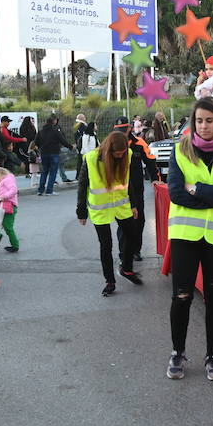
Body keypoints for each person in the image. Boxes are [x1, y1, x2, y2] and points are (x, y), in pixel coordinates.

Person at [166, 96, 213, 381]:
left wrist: (195, 188)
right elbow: (175, 193)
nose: (203, 126)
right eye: (199, 121)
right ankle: (177, 352)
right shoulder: (180, 150)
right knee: (182, 296)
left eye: (209, 121)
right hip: (186, 235)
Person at [76, 131, 143, 296]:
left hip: (121, 205)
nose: (120, 157)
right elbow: (82, 185)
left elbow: (128, 182)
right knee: (106, 245)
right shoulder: (91, 159)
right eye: (117, 154)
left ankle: (126, 269)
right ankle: (110, 281)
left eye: (122, 154)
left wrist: (133, 204)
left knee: (133, 236)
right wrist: (81, 211)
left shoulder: (127, 153)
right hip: (100, 209)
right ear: (108, 151)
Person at [113, 117, 159, 263]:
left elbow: (151, 161)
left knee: (138, 221)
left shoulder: (139, 143)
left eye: (123, 130)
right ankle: (123, 252)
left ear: (129, 129)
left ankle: (135, 250)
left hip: (137, 190)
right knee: (123, 222)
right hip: (119, 191)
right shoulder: (111, 143)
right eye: (118, 130)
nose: (120, 133)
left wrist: (155, 179)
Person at [34, 115, 74, 196]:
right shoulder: (55, 130)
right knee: (53, 172)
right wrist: (70, 146)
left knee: (44, 172)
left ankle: (40, 190)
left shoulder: (40, 131)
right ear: (53, 122)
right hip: (54, 153)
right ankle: (49, 190)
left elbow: (36, 142)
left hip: (44, 153)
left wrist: (41, 147)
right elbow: (63, 140)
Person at [0, 167, 19, 253]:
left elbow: (14, 190)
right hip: (3, 205)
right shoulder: (5, 180)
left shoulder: (7, 180)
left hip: (9, 206)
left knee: (8, 227)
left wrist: (3, 197)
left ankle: (15, 245)